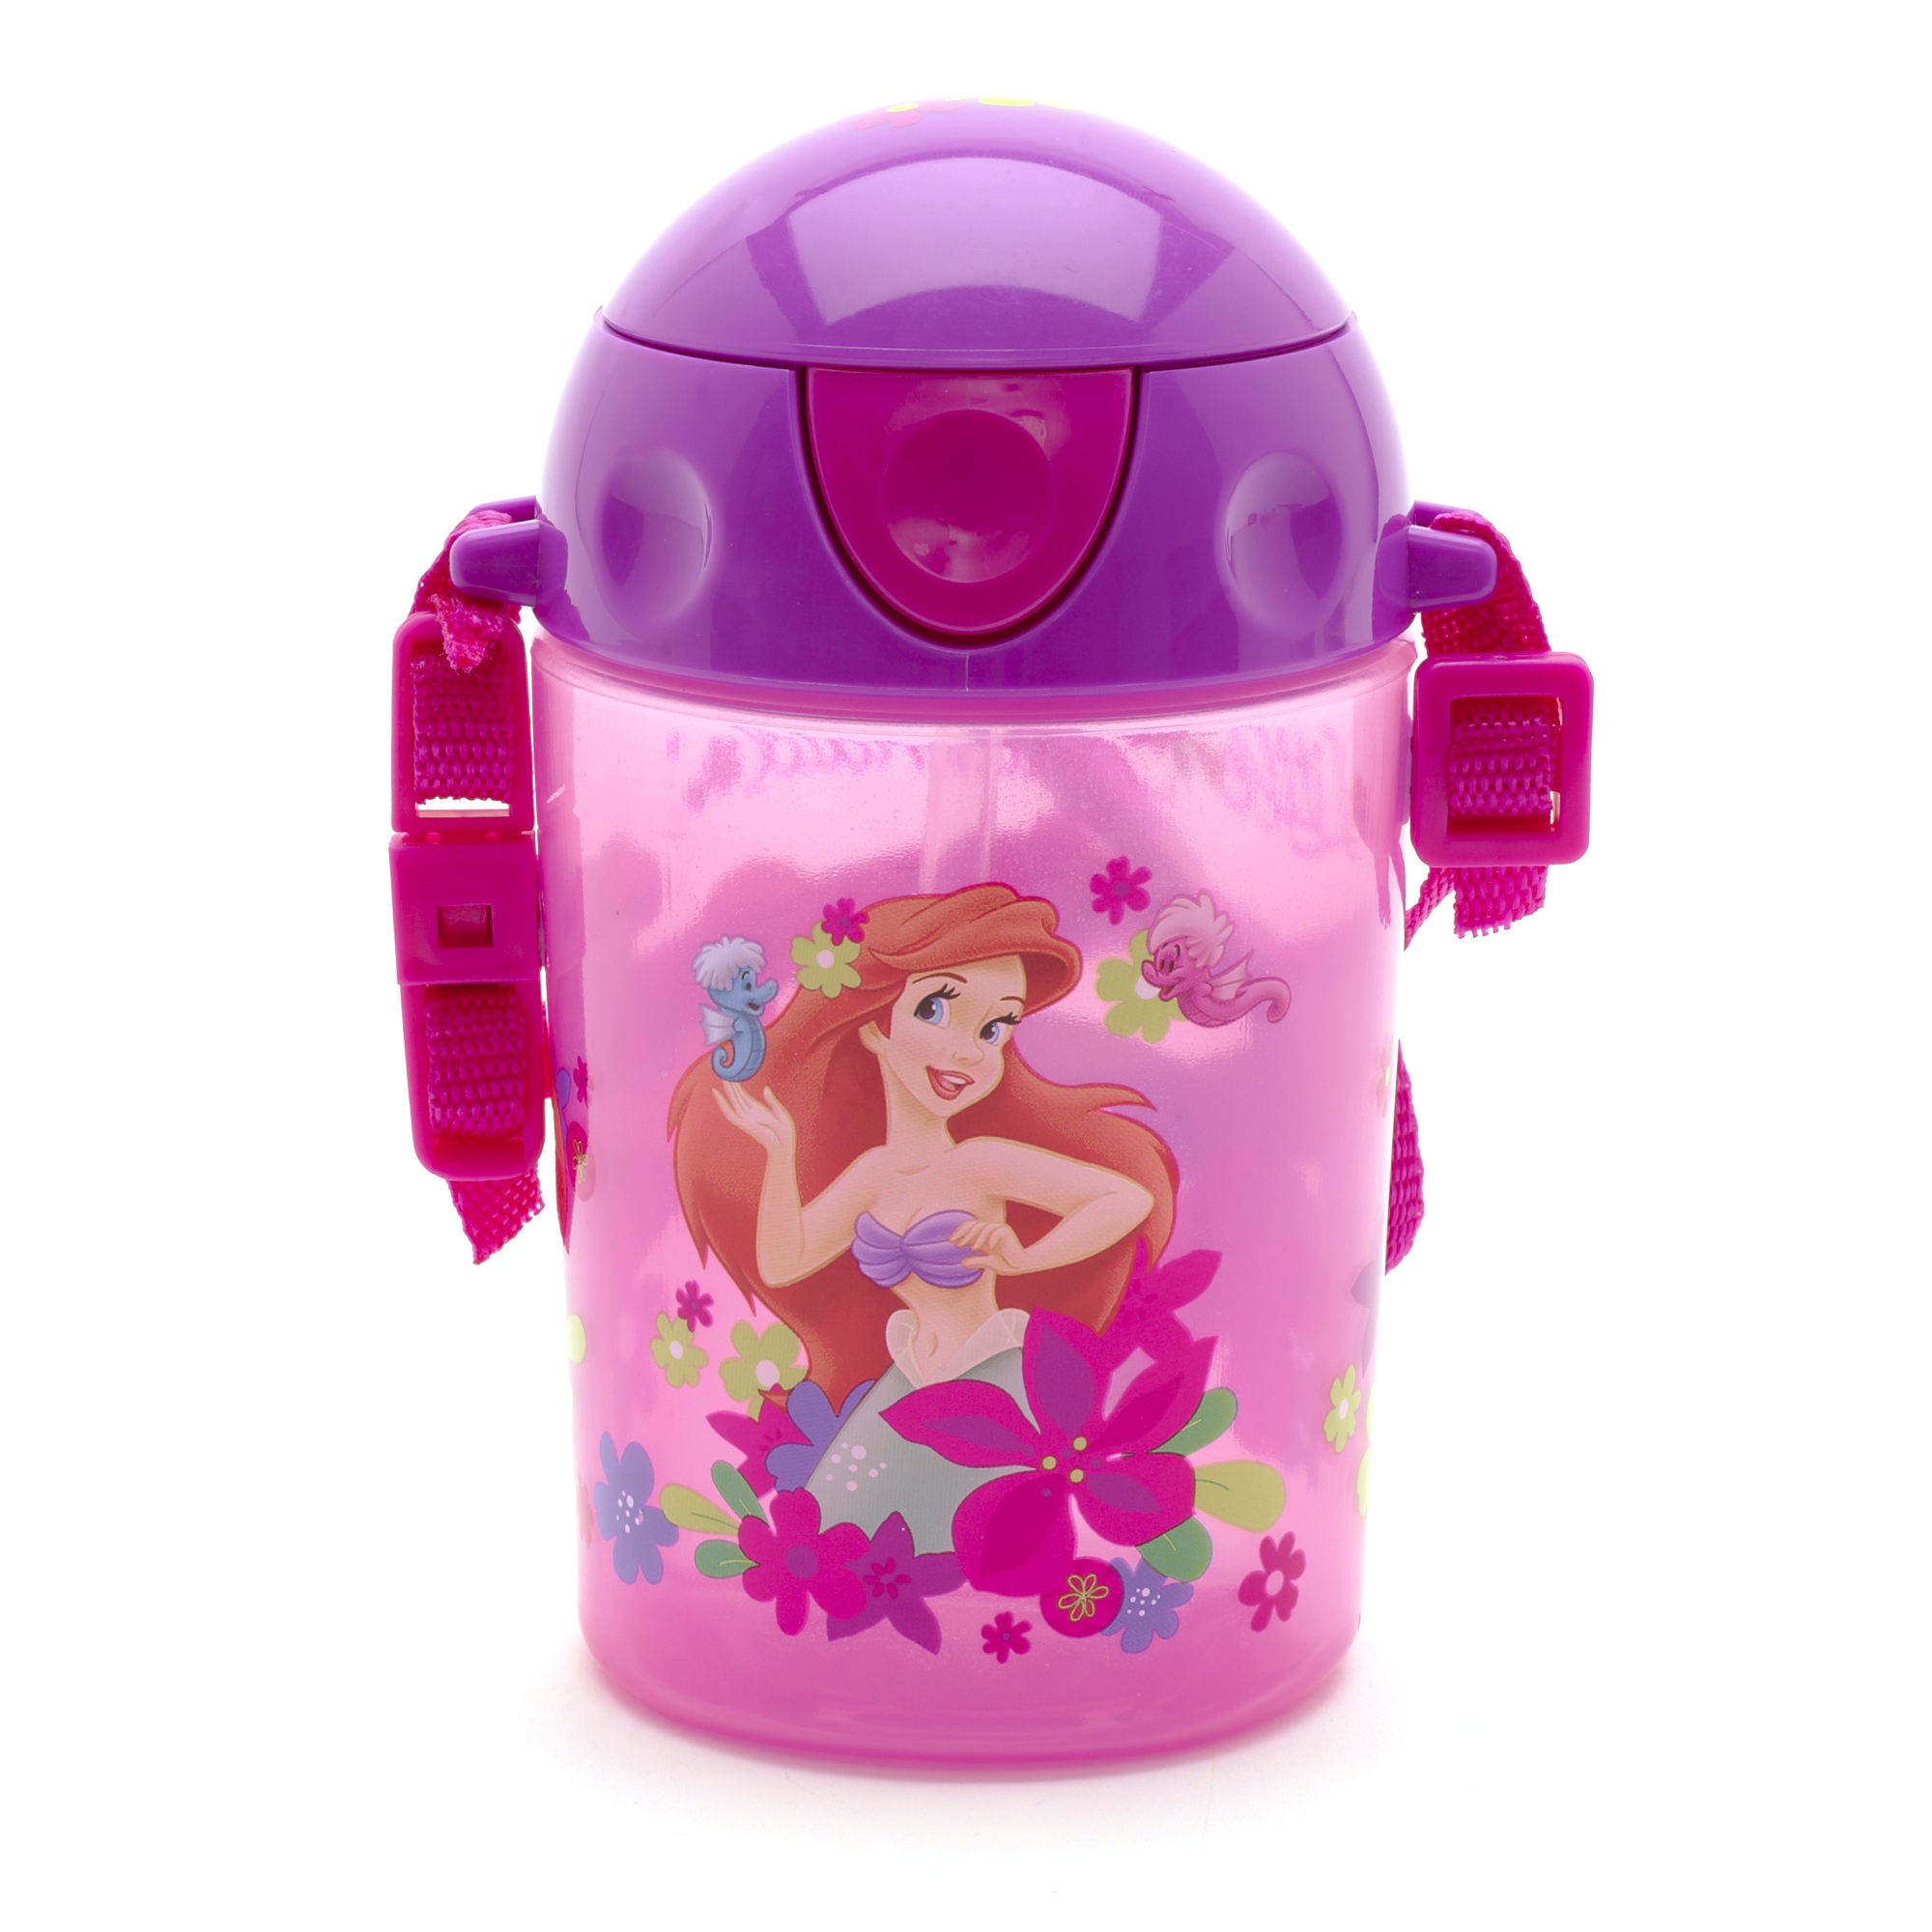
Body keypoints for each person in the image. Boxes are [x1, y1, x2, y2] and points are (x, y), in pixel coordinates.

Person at [668, 884, 1177, 1550]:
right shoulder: (874, 1174)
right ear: (877, 1024)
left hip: (988, 1378)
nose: (969, 1052)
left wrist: (1029, 1256)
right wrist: (782, 1153)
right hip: (909, 1376)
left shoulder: (979, 1163)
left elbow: (1124, 1200)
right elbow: (784, 1262)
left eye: (994, 1029)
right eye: (936, 1010)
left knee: (977, 1532)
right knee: (838, 1525)